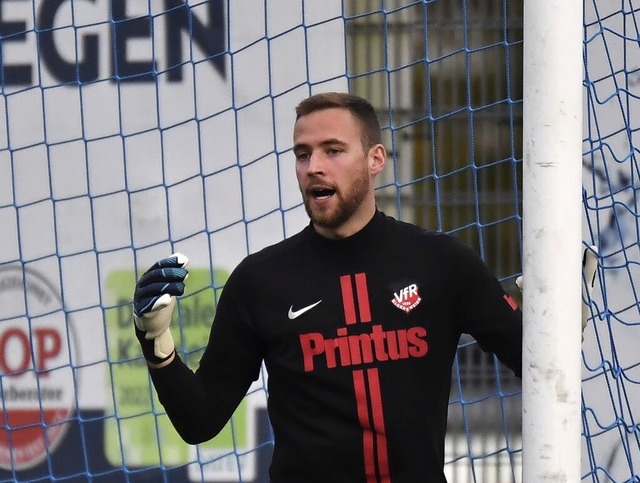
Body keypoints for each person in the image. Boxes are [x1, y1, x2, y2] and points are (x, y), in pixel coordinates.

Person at [132, 92, 593, 482]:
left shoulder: (440, 263)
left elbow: (536, 364)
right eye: (302, 153)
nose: (313, 166)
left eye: (333, 150)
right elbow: (200, 421)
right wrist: (156, 342)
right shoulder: (259, 281)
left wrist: (556, 315)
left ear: (375, 160)